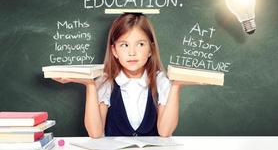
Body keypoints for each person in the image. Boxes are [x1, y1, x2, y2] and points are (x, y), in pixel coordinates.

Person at [53, 13, 183, 138]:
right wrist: (90, 84)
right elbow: (95, 133)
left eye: (140, 44)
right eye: (124, 45)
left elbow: (165, 132)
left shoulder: (160, 81)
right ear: (114, 51)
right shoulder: (106, 81)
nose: (132, 52)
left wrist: (176, 85)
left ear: (151, 50)